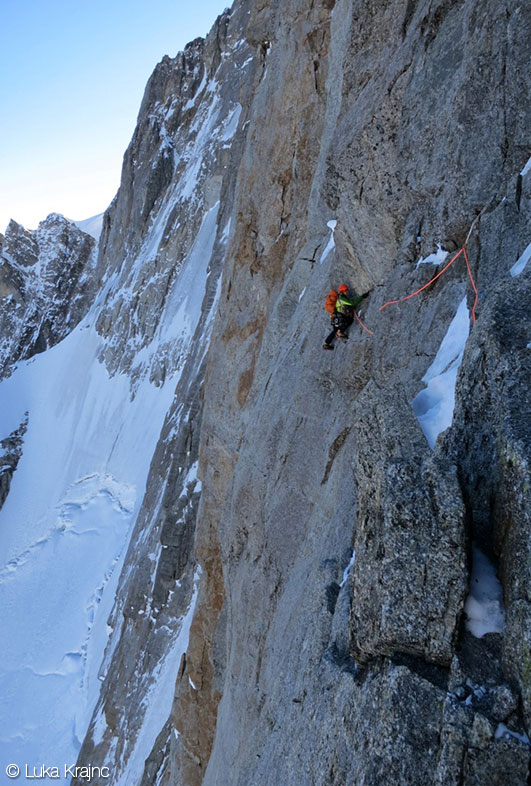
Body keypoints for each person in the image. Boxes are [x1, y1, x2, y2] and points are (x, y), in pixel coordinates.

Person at [323, 284, 367, 350]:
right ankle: (340, 332)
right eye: (345, 290)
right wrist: (362, 297)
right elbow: (352, 303)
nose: (347, 292)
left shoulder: (339, 298)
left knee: (335, 330)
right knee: (350, 320)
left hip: (336, 316)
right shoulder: (341, 298)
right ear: (343, 291)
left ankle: (326, 343)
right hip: (340, 316)